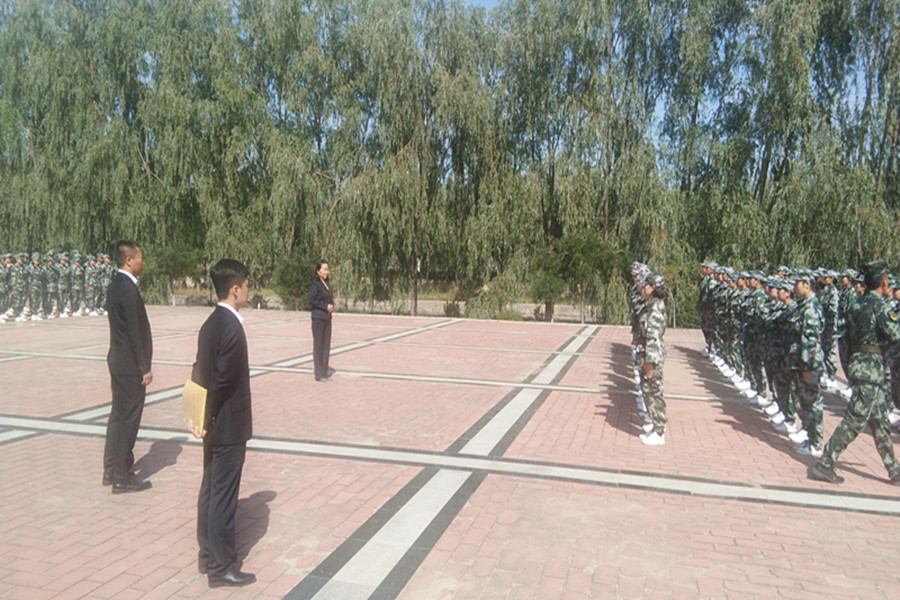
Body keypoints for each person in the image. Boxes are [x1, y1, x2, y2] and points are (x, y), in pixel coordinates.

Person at [189, 258, 256, 588]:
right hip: (227, 425)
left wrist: (197, 415)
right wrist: (207, 415)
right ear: (234, 289)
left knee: (210, 490)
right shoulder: (232, 328)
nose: (248, 290)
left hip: (212, 424)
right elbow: (220, 381)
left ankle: (206, 555)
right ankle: (220, 566)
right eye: (246, 285)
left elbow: (199, 371)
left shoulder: (210, 324)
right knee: (223, 497)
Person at [812, 260, 900, 485]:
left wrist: (851, 368)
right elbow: (896, 336)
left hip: (860, 368)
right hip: (871, 371)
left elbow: (846, 342)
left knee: (879, 421)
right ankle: (825, 463)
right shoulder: (881, 307)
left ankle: (894, 469)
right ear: (884, 282)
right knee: (854, 420)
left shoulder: (856, 305)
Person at [103, 240, 153, 493]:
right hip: (130, 365)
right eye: (140, 258)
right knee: (129, 419)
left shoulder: (115, 286)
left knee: (118, 415)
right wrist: (144, 366)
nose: (143, 262)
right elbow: (135, 331)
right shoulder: (129, 290)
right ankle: (122, 476)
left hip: (117, 360)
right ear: (129, 260)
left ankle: (111, 468)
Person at [638, 272, 668, 446]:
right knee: (649, 391)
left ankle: (659, 431)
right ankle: (655, 425)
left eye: (645, 286)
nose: (642, 288)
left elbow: (653, 338)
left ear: (653, 288)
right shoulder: (652, 305)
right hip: (648, 355)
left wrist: (649, 363)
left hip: (652, 356)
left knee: (654, 392)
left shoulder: (655, 309)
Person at [309, 260, 334, 381]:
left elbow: (329, 298)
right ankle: (319, 373)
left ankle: (324, 371)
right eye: (324, 270)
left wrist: (331, 305)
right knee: (318, 345)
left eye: (327, 270)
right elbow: (312, 300)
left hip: (327, 318)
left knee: (326, 345)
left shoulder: (327, 284)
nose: (326, 272)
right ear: (318, 271)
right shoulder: (315, 285)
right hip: (318, 318)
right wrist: (325, 306)